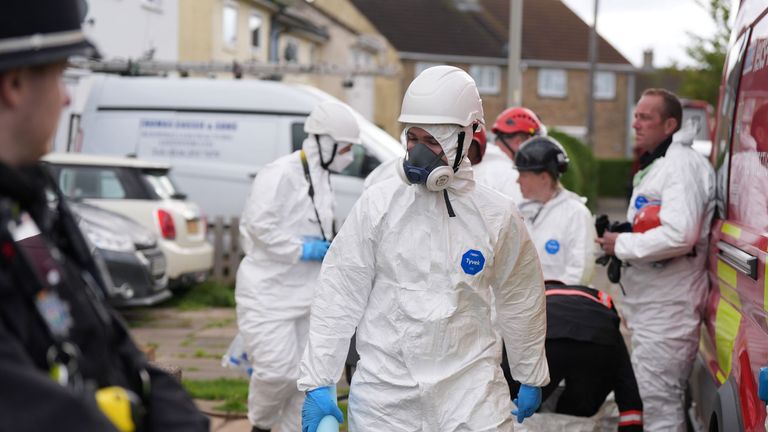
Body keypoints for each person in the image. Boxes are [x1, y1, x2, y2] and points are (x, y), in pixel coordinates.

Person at [297, 65, 549, 432]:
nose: (418, 153)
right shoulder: (378, 205)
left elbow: (521, 296)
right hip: (386, 394)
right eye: (412, 139)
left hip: (471, 392)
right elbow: (340, 289)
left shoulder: (496, 215)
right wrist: (319, 377)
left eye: (432, 142)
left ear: (467, 137)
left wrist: (529, 370)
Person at [0, 2, 209, 431]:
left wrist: (165, 403)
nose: (66, 95)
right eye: (59, 74)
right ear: (14, 83)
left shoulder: (26, 211)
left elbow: (90, 326)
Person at [235, 100, 361, 432]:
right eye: (346, 147)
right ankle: (260, 426)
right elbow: (258, 226)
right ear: (325, 141)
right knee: (276, 372)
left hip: (307, 293)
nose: (349, 155)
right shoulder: (279, 173)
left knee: (305, 378)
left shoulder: (323, 178)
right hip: (268, 292)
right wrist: (302, 249)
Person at [597, 88, 715, 431]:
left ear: (670, 124)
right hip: (658, 306)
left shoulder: (679, 166)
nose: (636, 123)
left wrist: (622, 243)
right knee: (655, 401)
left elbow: (681, 235)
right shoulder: (664, 163)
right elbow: (662, 224)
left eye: (645, 117)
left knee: (659, 406)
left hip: (669, 308)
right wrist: (627, 233)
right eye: (636, 115)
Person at [503, 284, 643, 431]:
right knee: (580, 406)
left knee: (518, 401)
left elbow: (514, 344)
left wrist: (510, 385)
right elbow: (625, 381)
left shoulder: (534, 293)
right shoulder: (600, 297)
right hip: (599, 342)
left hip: (548, 340)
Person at [514, 136, 596, 286]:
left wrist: (553, 299)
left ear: (544, 177)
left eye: (523, 175)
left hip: (562, 305)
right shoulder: (521, 212)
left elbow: (580, 273)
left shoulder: (576, 214)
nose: (517, 180)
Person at [473, 106, 546, 202]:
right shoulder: (512, 177)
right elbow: (524, 214)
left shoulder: (474, 166)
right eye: (533, 145)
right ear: (519, 142)